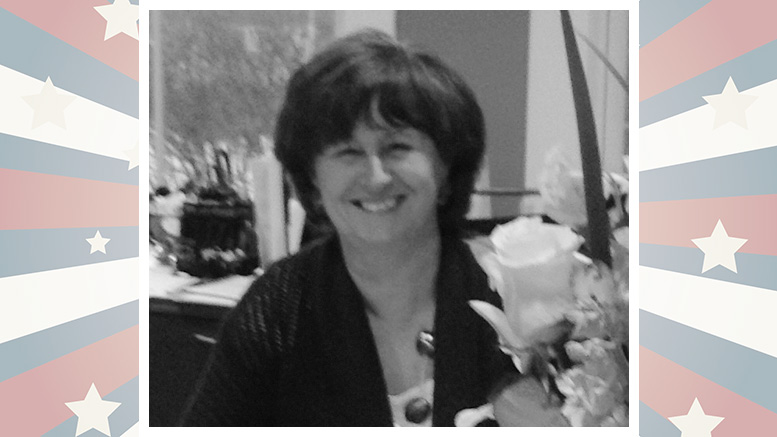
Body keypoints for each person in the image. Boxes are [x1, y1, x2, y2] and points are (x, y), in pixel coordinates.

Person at [181, 29, 514, 427]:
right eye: (348, 152)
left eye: (398, 147)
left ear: (446, 171)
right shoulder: (277, 309)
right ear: (314, 182)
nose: (375, 177)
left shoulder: (513, 296)